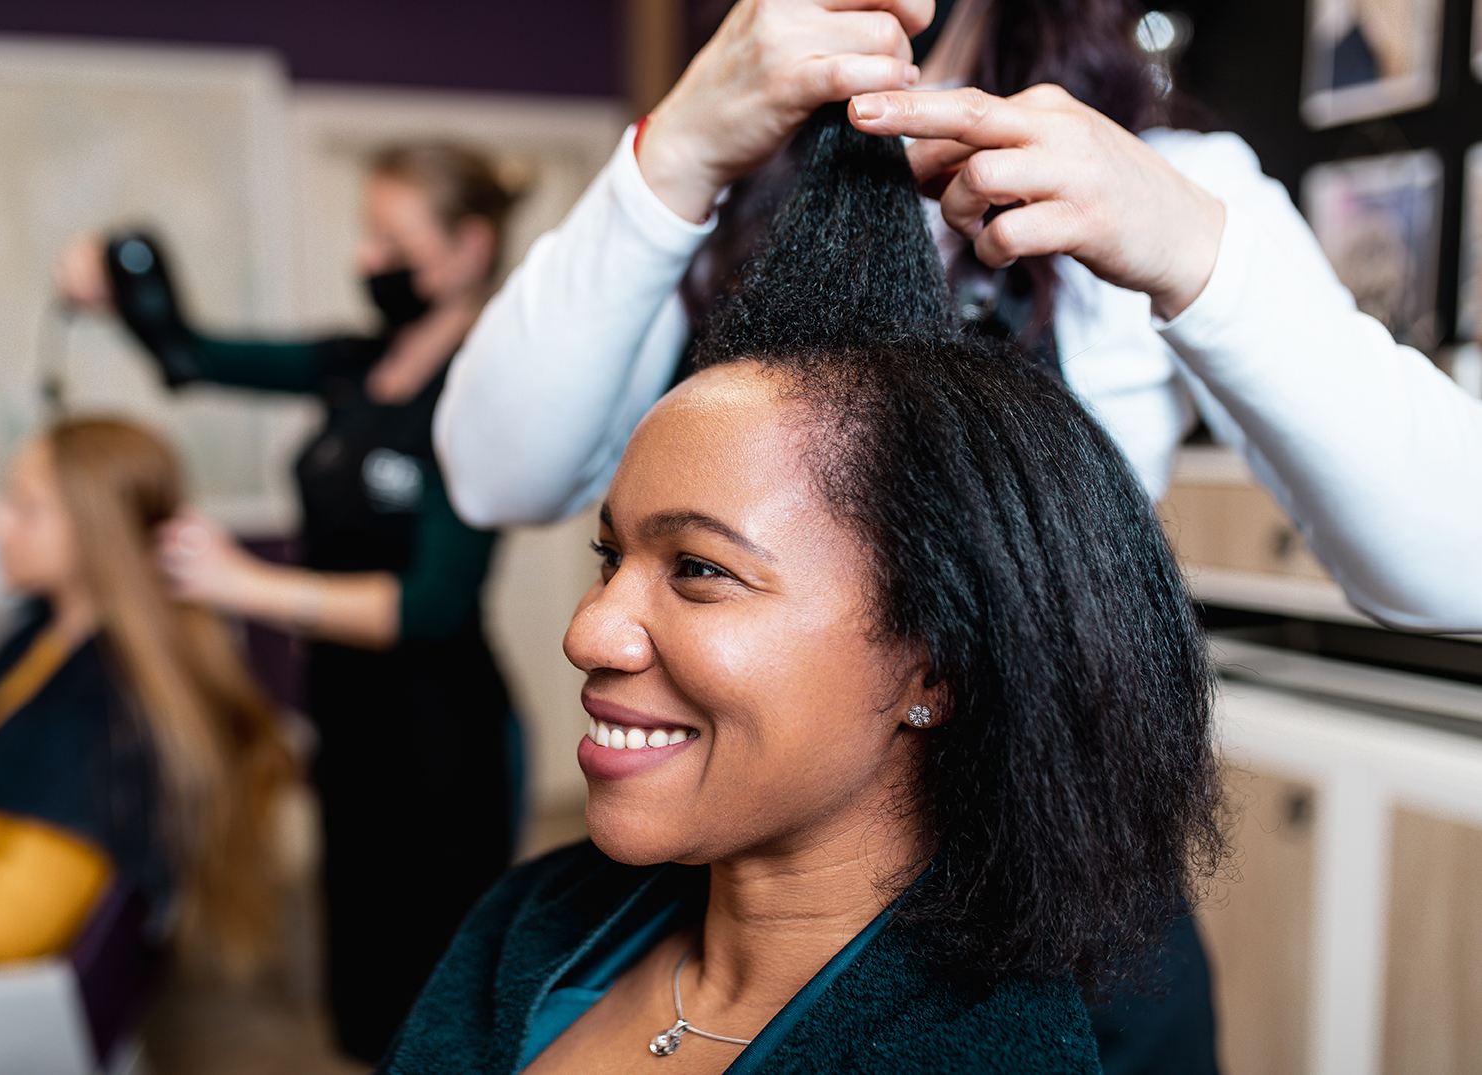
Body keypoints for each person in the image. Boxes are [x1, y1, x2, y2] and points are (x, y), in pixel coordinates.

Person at [381, 105, 1222, 1075]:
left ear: (934, 664)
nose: (589, 629)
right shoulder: (529, 920)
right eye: (611, 560)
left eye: (697, 570)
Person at [434, 0, 1482, 634]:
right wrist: (670, 159)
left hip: (1061, 905)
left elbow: (1453, 564)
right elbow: (496, 474)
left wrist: (1193, 252)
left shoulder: (1177, 181)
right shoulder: (703, 184)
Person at [55, 142, 524, 1061]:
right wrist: (122, 273)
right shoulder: (351, 362)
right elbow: (188, 353)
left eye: (391, 238)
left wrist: (243, 584)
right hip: (349, 711)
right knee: (363, 968)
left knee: (443, 980)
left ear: (468, 249)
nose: (364, 259)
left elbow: (430, 604)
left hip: (440, 729)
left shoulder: (490, 383)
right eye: (365, 233)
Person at [0, 418, 293, 987]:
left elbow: (5, 926)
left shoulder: (106, 709)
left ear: (95, 531)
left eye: (24, 506)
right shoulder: (41, 640)